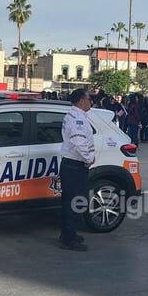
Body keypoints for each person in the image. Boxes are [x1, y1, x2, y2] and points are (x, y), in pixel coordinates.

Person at [58, 89, 94, 251]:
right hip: (75, 166)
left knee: (70, 201)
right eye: (88, 98)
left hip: (71, 165)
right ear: (81, 101)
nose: (90, 101)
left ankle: (68, 233)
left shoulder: (73, 115)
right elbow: (79, 142)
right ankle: (69, 238)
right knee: (74, 202)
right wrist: (88, 159)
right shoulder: (78, 119)